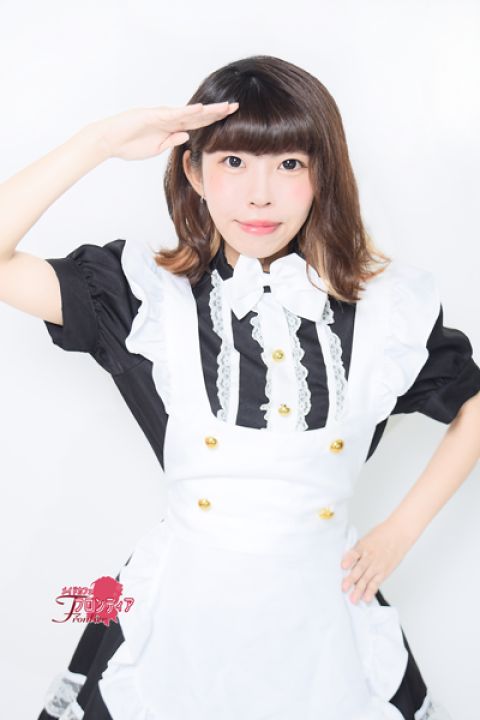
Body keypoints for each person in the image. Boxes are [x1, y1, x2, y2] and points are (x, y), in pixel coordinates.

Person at [1, 54, 479, 720]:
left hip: (325, 624)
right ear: (193, 172)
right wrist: (100, 142)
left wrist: (401, 530)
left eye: (289, 164)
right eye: (233, 162)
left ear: (322, 176)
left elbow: (473, 404)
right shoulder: (144, 299)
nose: (260, 195)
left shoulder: (384, 312)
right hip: (175, 616)